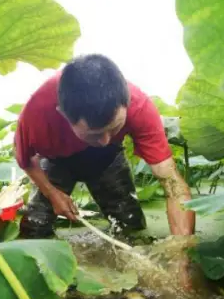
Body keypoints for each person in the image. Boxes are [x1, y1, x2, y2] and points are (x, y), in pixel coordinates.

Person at [13, 54, 195, 243]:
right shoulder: (37, 112)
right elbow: (25, 160)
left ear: (127, 103)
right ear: (63, 115)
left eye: (114, 128)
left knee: (131, 227)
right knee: (34, 230)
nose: (105, 140)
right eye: (94, 134)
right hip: (56, 161)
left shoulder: (140, 107)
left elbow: (172, 184)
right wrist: (52, 193)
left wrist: (182, 252)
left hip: (107, 160)